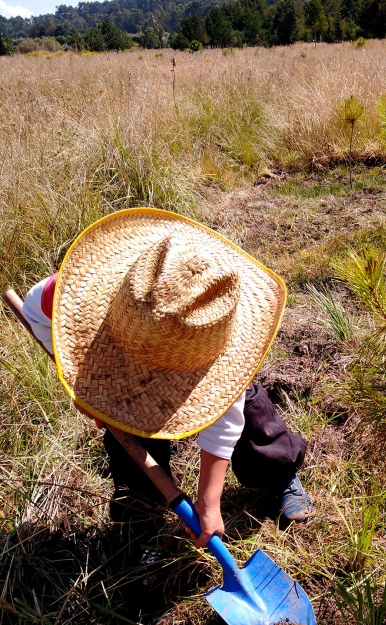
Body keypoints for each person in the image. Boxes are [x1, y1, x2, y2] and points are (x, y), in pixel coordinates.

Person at [22, 207, 313, 561]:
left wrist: (209, 502)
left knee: (248, 408)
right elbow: (34, 311)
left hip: (197, 357)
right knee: (127, 434)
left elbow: (224, 427)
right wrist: (78, 381)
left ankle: (277, 476)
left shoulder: (209, 312)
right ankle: (140, 528)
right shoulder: (73, 292)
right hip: (121, 346)